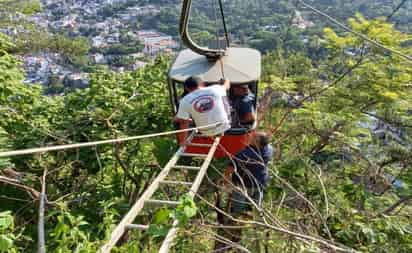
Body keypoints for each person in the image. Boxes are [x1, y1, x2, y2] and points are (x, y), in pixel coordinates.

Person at [224, 131, 274, 215]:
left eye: (254, 136)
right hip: (261, 182)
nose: (251, 136)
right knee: (257, 205)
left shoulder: (244, 154)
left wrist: (226, 181)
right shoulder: (269, 149)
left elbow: (229, 169)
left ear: (257, 143)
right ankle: (255, 218)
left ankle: (236, 217)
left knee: (238, 204)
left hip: (243, 184)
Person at [175, 76, 231, 145]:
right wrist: (225, 80)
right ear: (203, 84)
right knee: (223, 99)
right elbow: (227, 85)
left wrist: (182, 141)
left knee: (185, 117)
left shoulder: (184, 100)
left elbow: (184, 122)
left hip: (205, 131)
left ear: (186, 88)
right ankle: (221, 128)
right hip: (224, 126)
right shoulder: (216, 88)